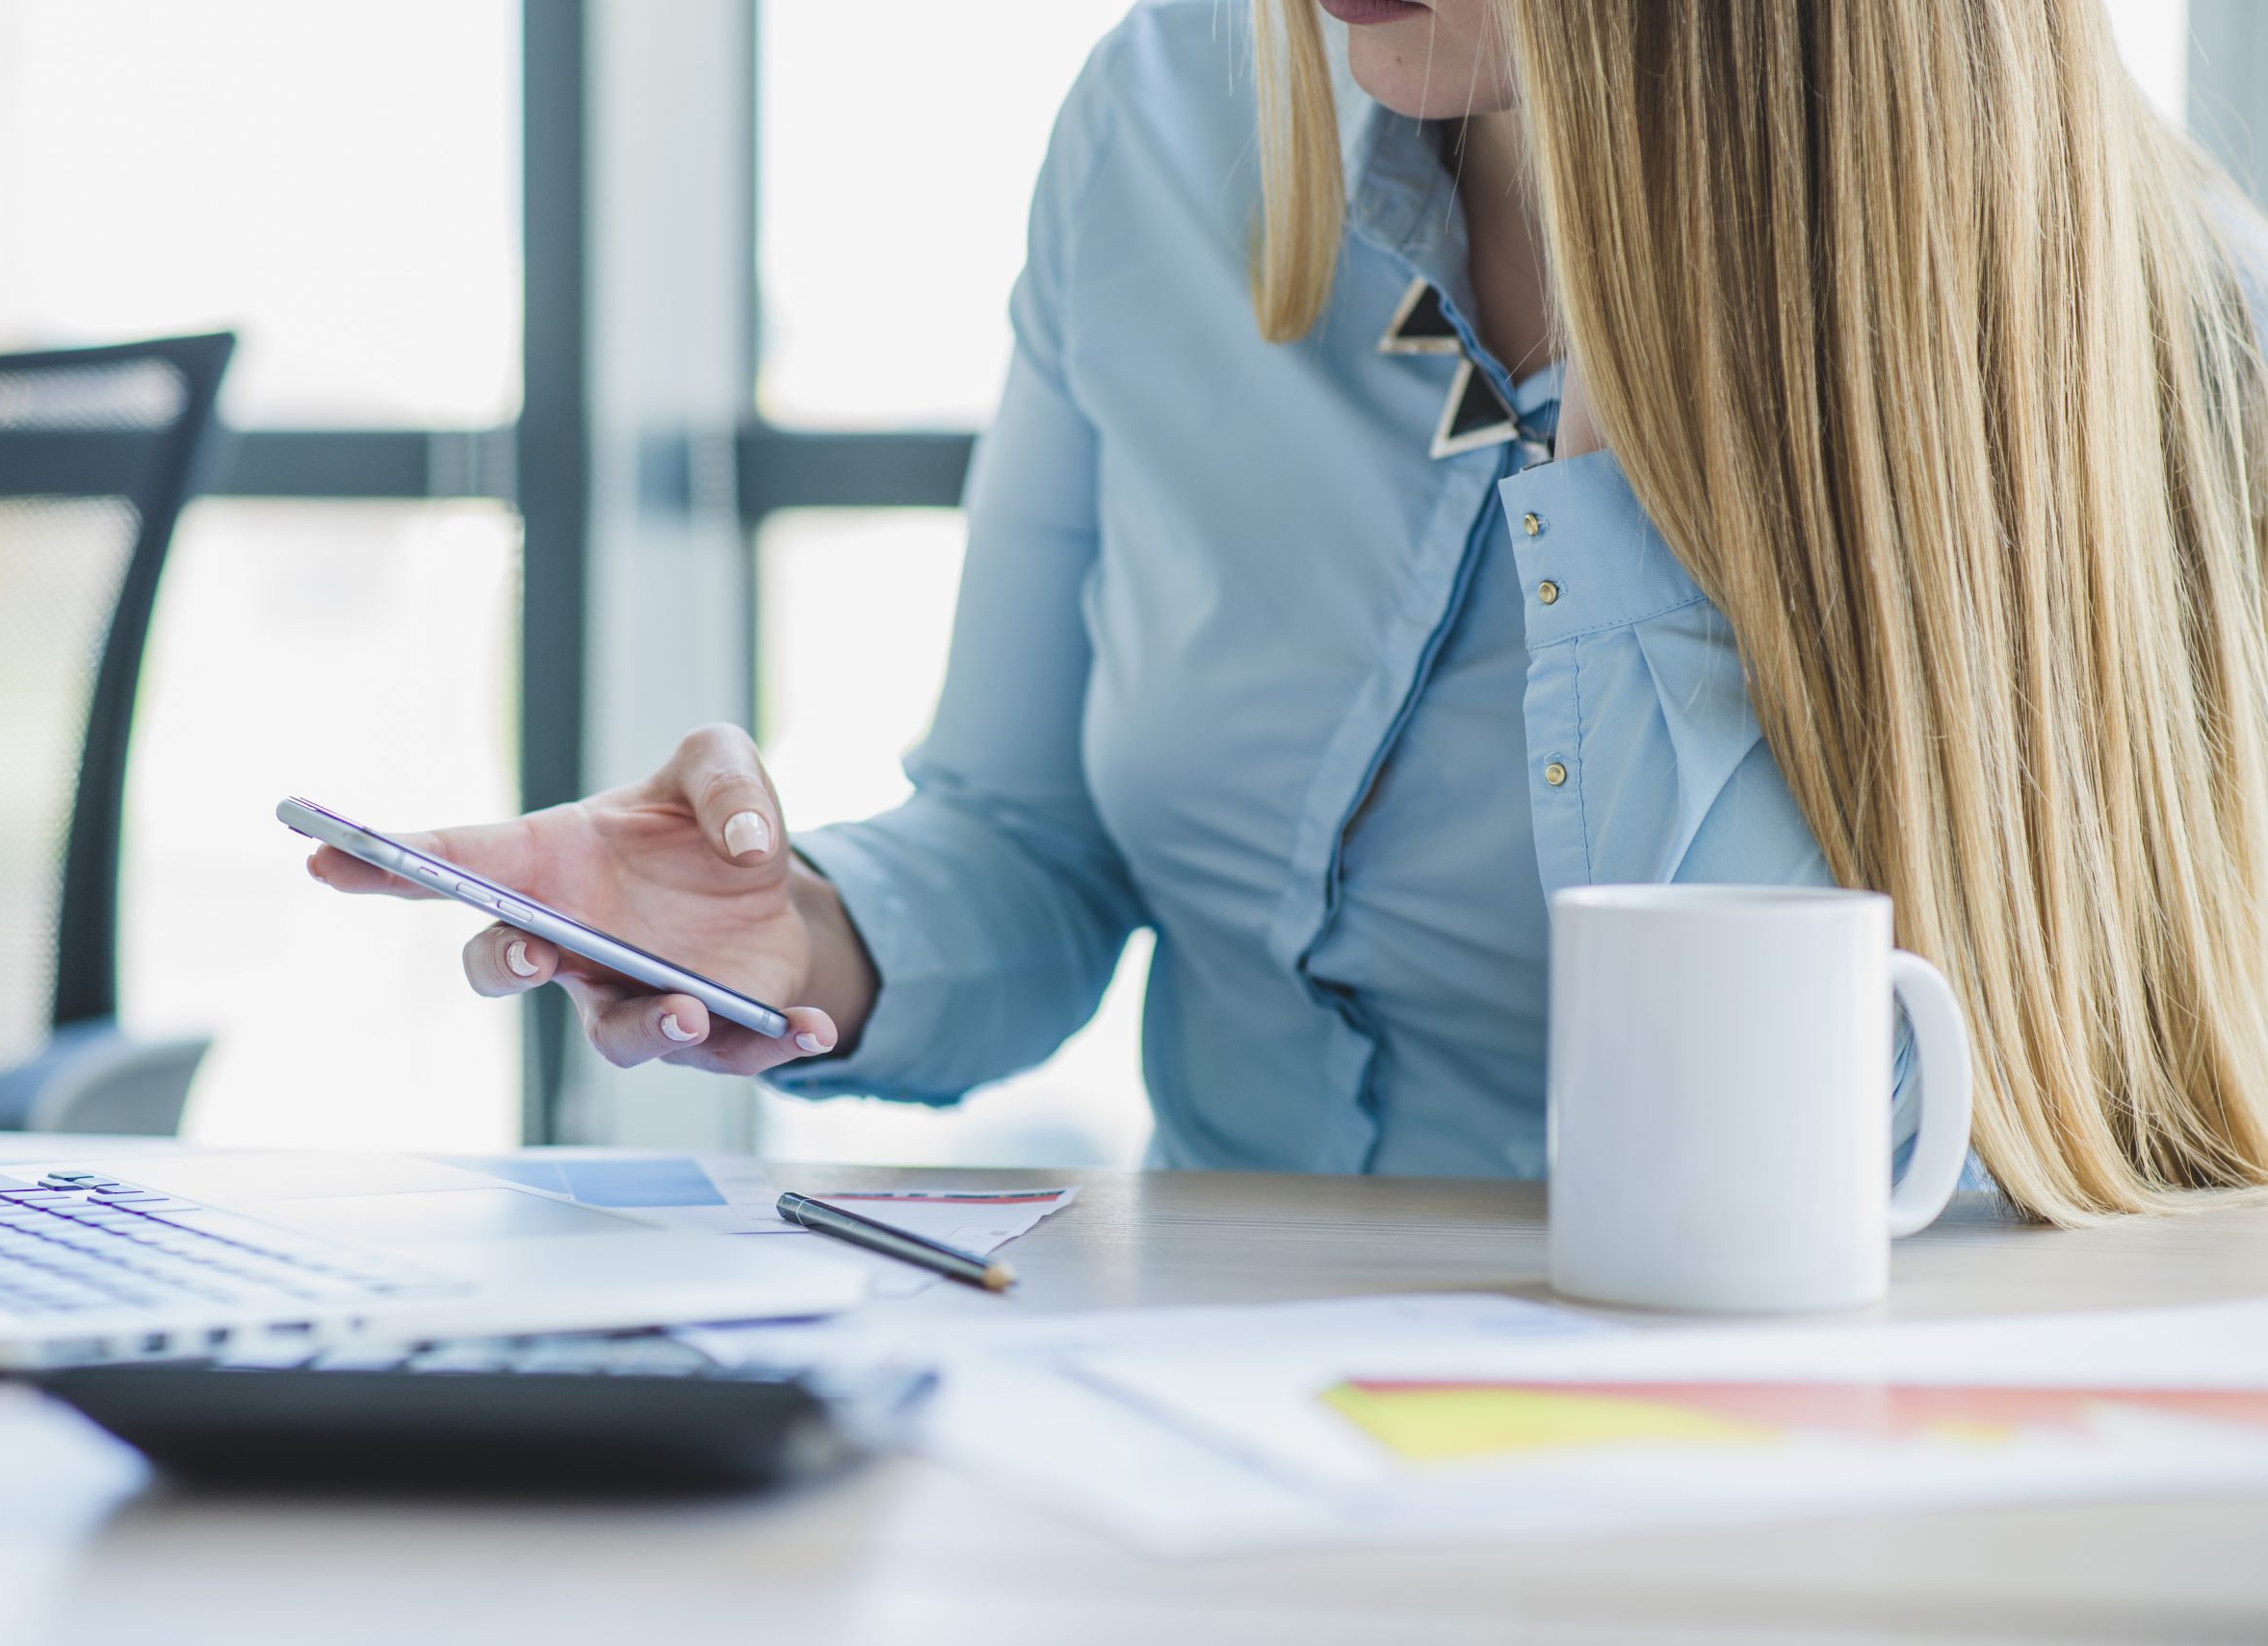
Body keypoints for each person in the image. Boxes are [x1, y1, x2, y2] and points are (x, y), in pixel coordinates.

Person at [314, 0, 2268, 1224]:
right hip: (1229, 1419)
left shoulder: (2169, 333)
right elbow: (1030, 848)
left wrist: (1634, 443)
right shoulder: (1161, 131)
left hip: (1798, 1442)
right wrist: (803, 933)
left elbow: (1796, 1143)